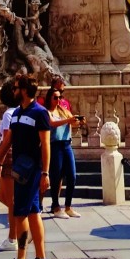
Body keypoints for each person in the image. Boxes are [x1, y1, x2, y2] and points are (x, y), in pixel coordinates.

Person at [0, 73, 51, 259]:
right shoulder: (15, 114)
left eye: (15, 88)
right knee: (32, 212)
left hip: (32, 170)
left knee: (20, 212)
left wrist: (45, 172)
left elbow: (46, 145)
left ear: (23, 90)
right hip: (19, 168)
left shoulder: (40, 113)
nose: (13, 91)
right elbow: (7, 142)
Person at [44, 86, 81, 218]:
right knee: (56, 176)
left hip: (66, 144)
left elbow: (72, 122)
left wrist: (77, 121)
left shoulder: (64, 110)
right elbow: (53, 123)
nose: (58, 100)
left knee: (72, 175)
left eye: (60, 97)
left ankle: (68, 206)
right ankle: (55, 206)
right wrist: (68, 120)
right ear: (49, 98)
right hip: (55, 145)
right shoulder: (47, 112)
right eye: (55, 97)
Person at [0, 79, 18, 252]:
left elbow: (7, 140)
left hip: (9, 158)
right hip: (14, 158)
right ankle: (24, 227)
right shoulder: (20, 111)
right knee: (3, 197)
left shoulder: (9, 114)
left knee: (11, 201)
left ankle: (13, 238)